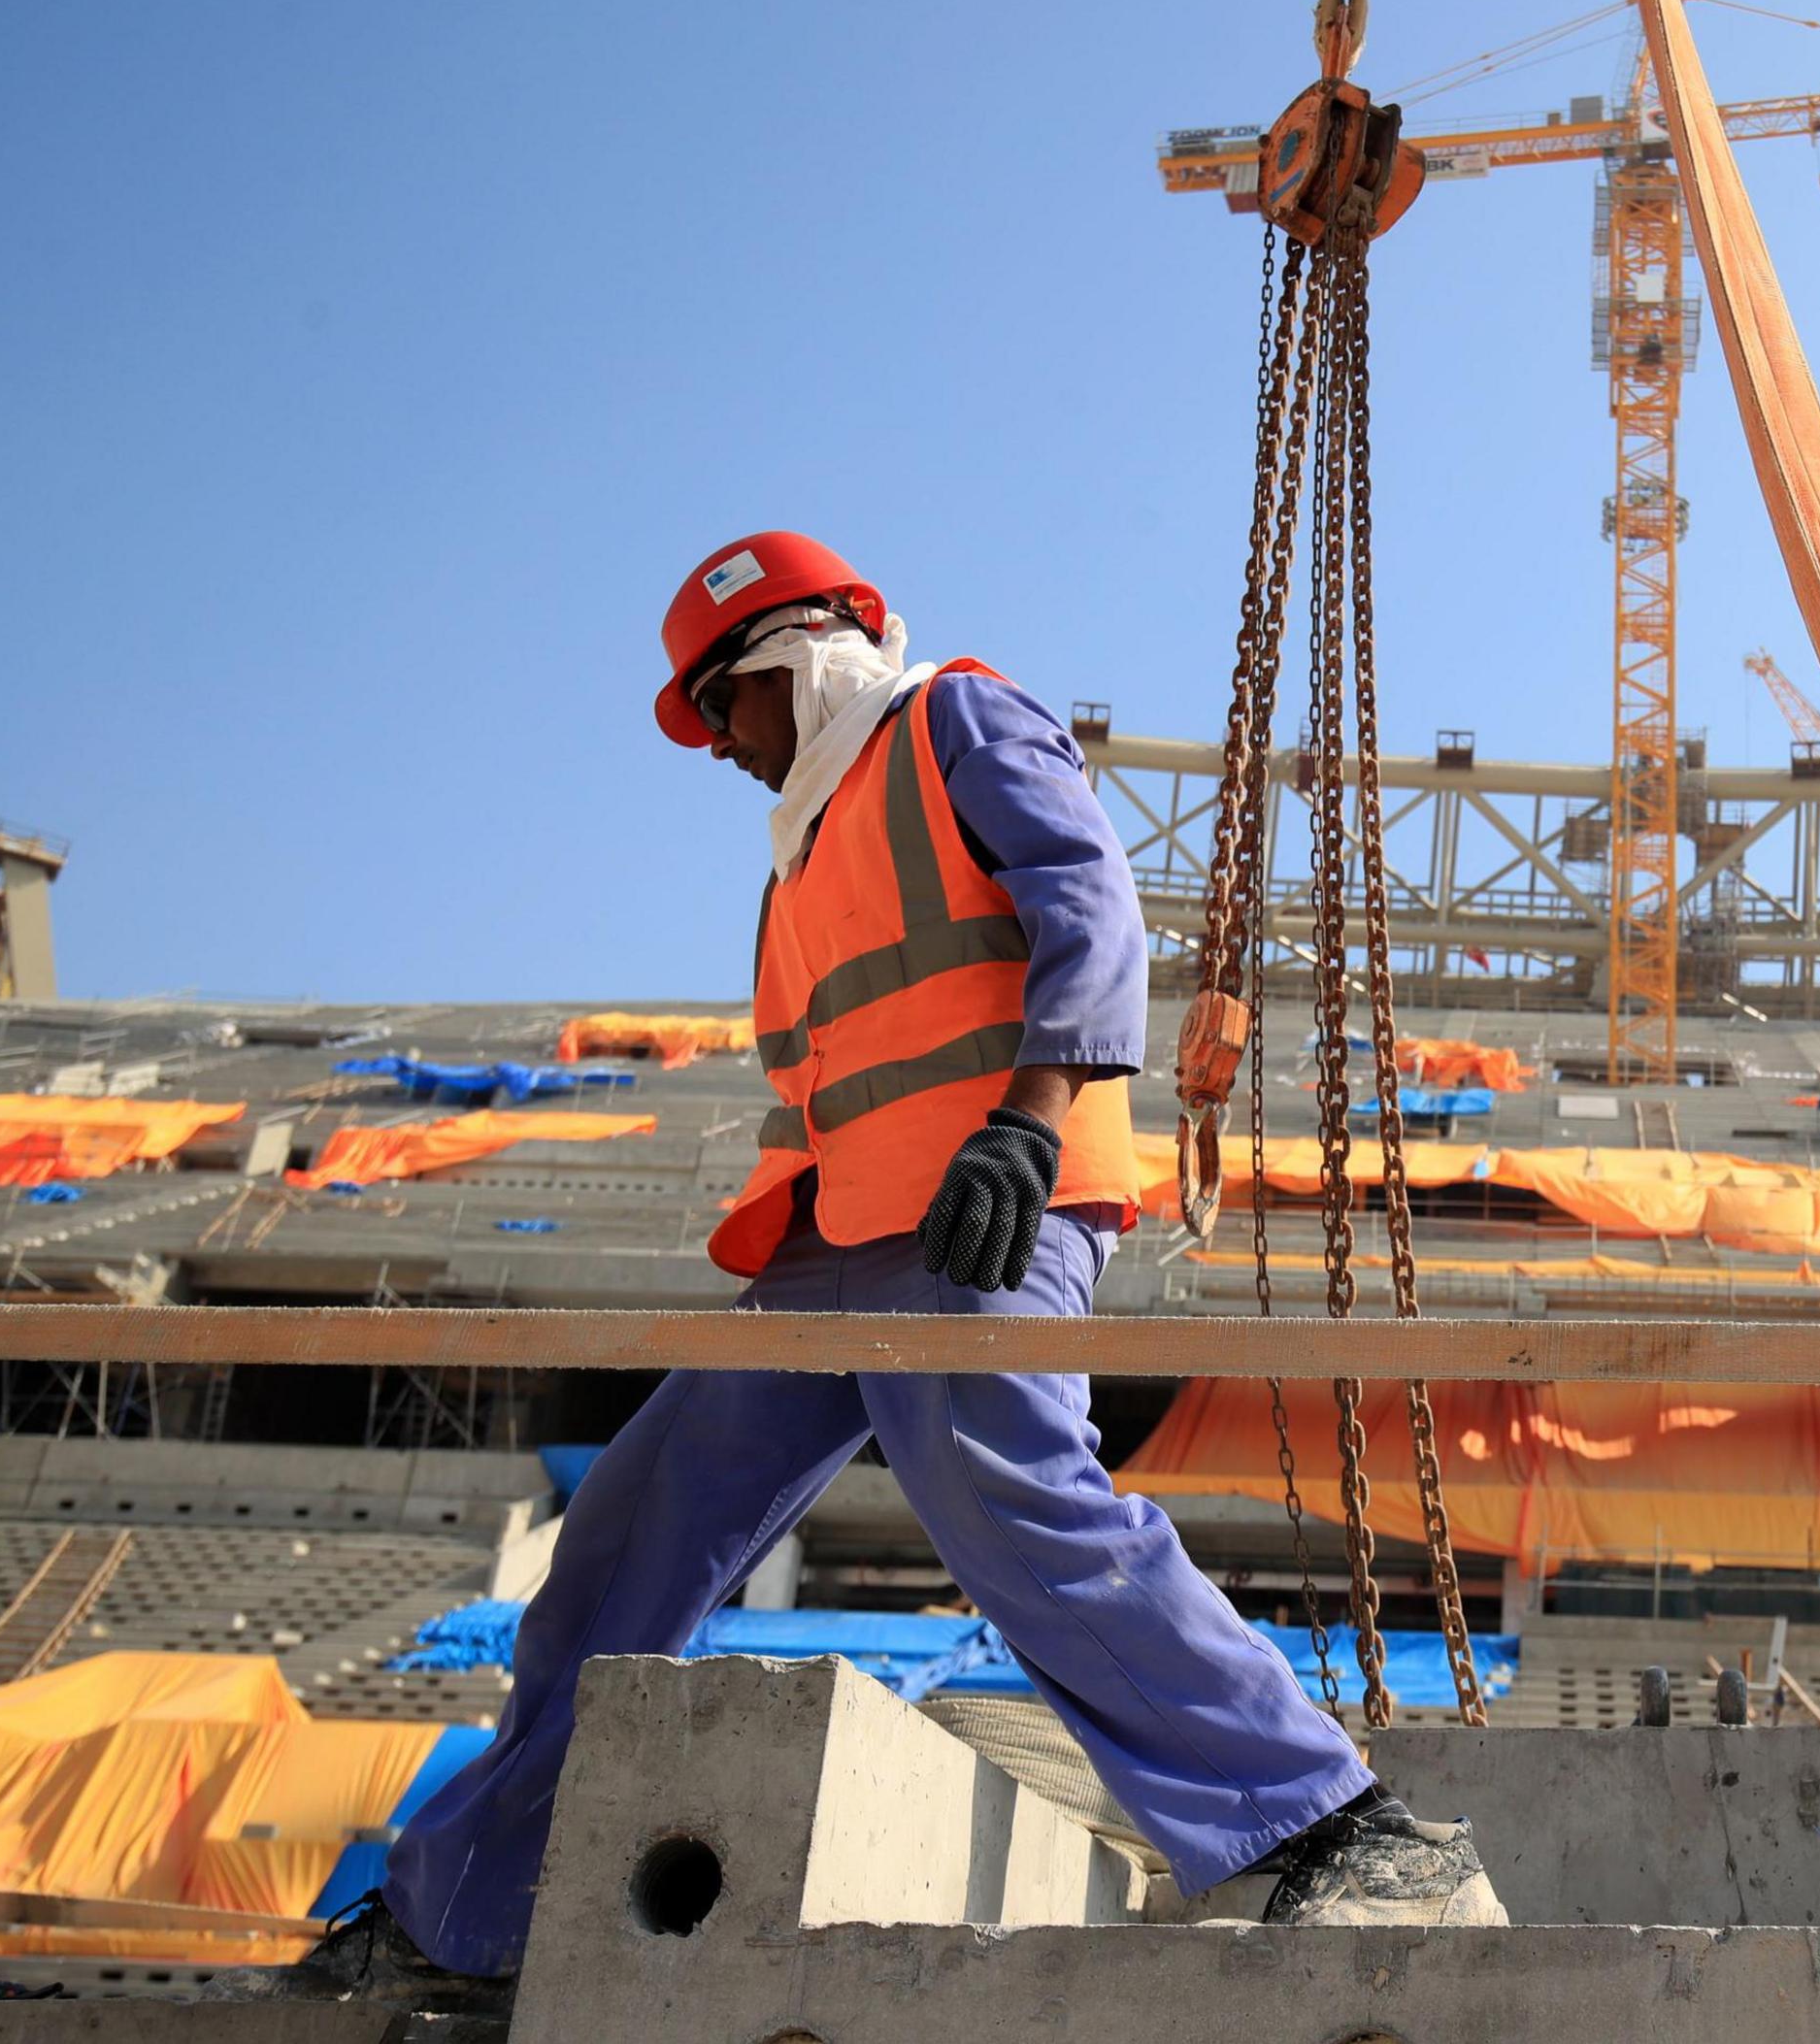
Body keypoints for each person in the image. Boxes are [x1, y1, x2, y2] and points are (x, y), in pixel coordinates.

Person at [247, 532, 1501, 2008]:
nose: (715, 746)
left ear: (794, 655)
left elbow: (1091, 904)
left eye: (722, 707)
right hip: (833, 1253)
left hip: (983, 1215)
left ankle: (1335, 1833)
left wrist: (1029, 1129)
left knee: (1013, 1502)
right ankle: (455, 1921)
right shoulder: (799, 854)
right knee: (622, 1551)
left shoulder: (952, 721)